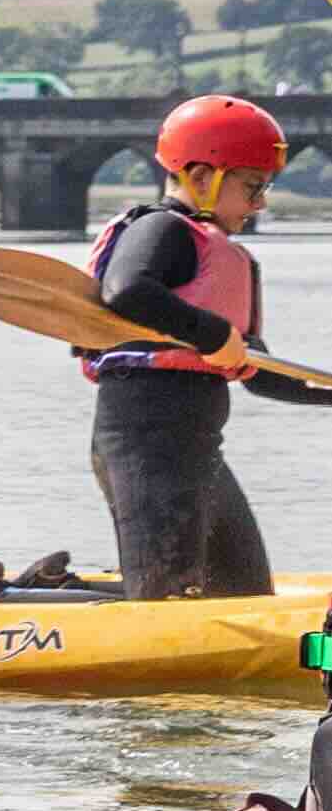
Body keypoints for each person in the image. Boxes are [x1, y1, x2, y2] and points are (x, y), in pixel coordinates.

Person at [81, 96, 323, 600]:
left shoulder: (220, 258)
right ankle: (24, 596)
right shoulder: (161, 229)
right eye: (252, 186)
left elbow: (265, 374)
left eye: (265, 188)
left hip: (197, 453)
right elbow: (125, 289)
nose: (260, 203)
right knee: (166, 601)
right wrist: (213, 335)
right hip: (143, 443)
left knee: (245, 593)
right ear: (200, 174)